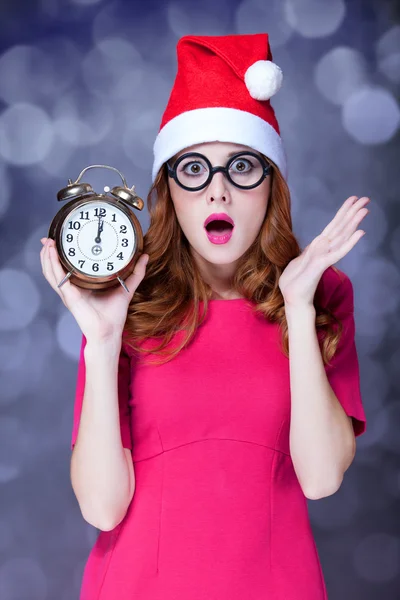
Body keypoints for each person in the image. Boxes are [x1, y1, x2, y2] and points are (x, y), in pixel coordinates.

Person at [40, 33, 368, 600]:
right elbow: (101, 506)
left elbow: (319, 478)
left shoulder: (320, 295)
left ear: (272, 185)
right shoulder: (126, 303)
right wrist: (103, 339)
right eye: (193, 169)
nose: (218, 192)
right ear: (170, 189)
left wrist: (296, 303)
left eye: (242, 166)